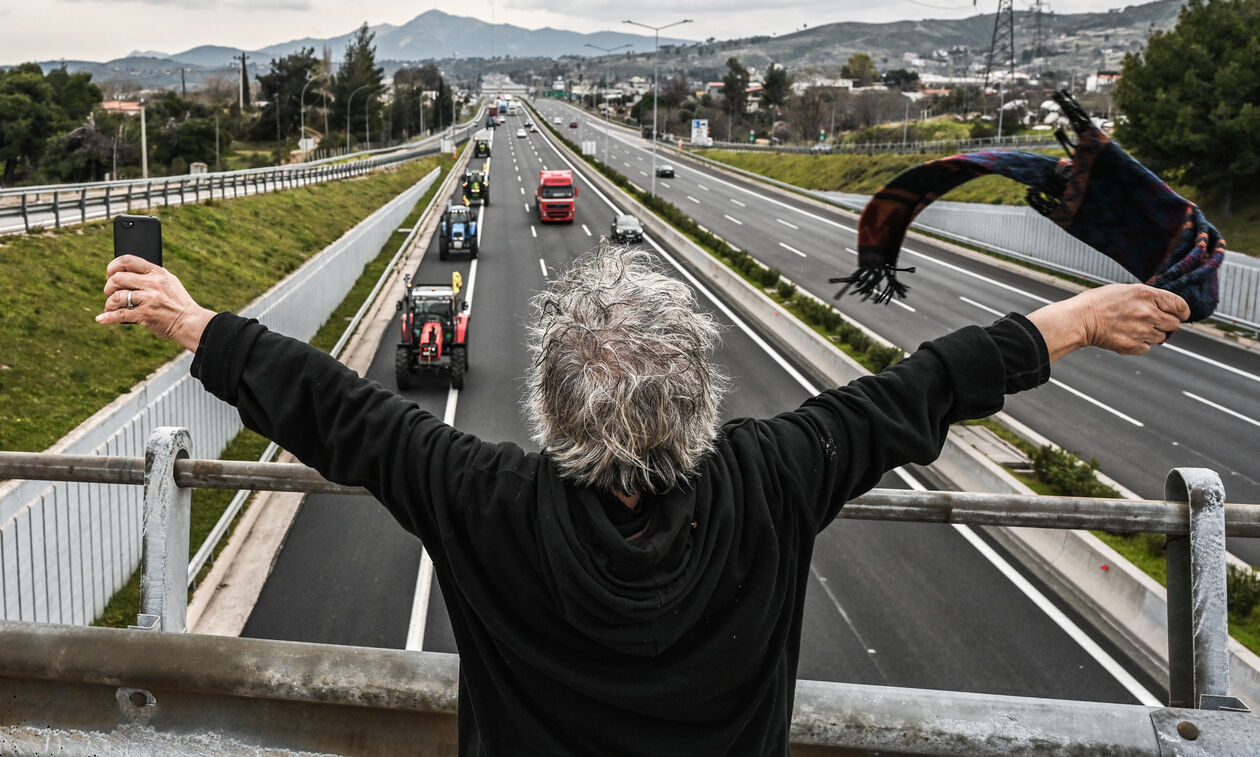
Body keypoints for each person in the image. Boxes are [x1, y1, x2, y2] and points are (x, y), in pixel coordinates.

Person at [97, 246, 1188, 755]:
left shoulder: (484, 498)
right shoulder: (776, 474)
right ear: (701, 400)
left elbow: (341, 411)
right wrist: (1081, 319)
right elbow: (919, 392)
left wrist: (197, 324)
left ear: (551, 411)